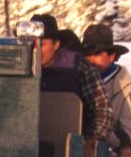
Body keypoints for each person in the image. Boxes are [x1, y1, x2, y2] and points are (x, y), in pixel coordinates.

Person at [30, 13, 113, 143]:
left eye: (42, 45)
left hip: (70, 146)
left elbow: (102, 107)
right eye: (32, 45)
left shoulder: (78, 66)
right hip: (28, 144)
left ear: (56, 44)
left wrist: (93, 141)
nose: (36, 50)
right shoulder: (19, 68)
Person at [81, 24, 131, 157]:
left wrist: (98, 134)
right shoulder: (81, 82)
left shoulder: (128, 90)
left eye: (97, 54)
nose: (91, 60)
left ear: (111, 56)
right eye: (88, 55)